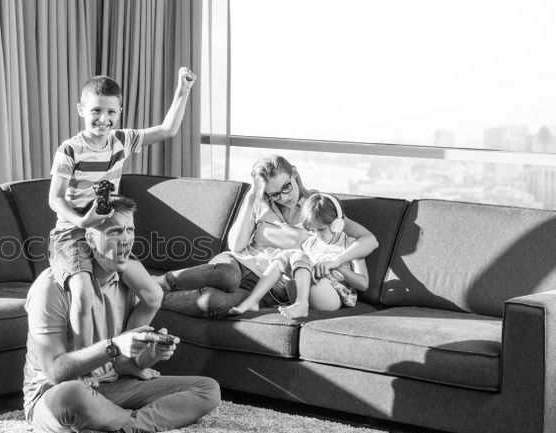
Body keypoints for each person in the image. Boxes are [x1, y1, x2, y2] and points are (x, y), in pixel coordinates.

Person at [24, 196, 221, 433]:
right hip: (52, 395)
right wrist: (115, 346)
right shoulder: (51, 287)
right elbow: (55, 373)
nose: (126, 239)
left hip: (112, 387)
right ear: (91, 239)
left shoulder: (128, 283)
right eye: (115, 231)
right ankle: (133, 422)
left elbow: (123, 365)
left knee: (208, 389)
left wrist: (149, 353)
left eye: (130, 230)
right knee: (74, 394)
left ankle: (117, 430)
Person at [48, 68, 196, 349]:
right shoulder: (70, 149)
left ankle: (126, 358)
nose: (103, 119)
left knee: (153, 294)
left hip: (107, 233)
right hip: (72, 234)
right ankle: (85, 365)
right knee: (83, 296)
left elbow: (168, 130)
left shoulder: (121, 141)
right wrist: (82, 222)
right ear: (81, 109)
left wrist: (183, 90)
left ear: (119, 112)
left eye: (111, 112)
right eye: (96, 111)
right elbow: (55, 199)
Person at [156, 155, 379, 320]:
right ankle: (160, 282)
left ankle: (152, 297)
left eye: (286, 187)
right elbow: (235, 245)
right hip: (237, 265)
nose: (283, 197)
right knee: (228, 276)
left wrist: (338, 262)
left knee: (212, 302)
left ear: (295, 174)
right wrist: (253, 196)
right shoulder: (261, 202)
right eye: (274, 193)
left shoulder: (318, 207)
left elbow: (368, 240)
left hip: (270, 287)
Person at [227, 192, 369, 317]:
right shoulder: (310, 243)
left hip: (333, 296)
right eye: (313, 231)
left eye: (321, 230)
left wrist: (338, 267)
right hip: (307, 292)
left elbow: (363, 284)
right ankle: (253, 300)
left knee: (296, 254)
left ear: (337, 224)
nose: (317, 235)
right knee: (287, 255)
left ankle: (302, 305)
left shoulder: (351, 245)